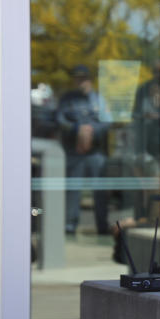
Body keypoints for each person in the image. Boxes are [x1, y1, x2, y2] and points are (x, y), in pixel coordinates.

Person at [56, 64, 113, 235]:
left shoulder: (99, 99)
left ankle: (102, 225)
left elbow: (107, 122)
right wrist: (78, 130)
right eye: (77, 78)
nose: (80, 81)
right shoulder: (67, 99)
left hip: (95, 151)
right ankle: (70, 226)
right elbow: (60, 119)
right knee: (73, 189)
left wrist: (90, 131)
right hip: (75, 151)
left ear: (89, 79)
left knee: (100, 190)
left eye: (84, 78)